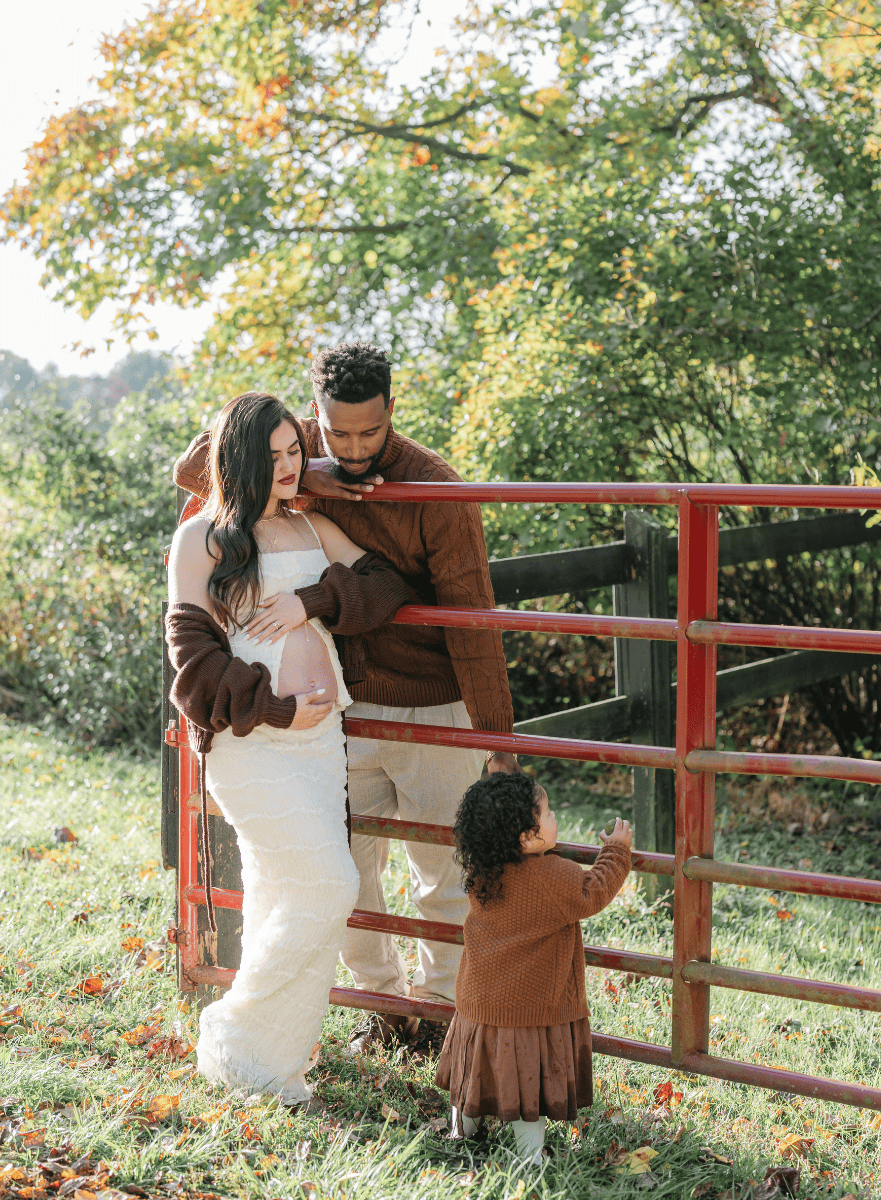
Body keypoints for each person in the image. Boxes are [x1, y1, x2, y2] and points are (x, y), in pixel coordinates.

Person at [174, 343, 518, 1058]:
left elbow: (473, 621)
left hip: (431, 705)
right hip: (343, 716)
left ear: (392, 410)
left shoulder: (434, 488)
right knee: (348, 870)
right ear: (314, 418)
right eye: (338, 435)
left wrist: (498, 738)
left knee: (443, 872)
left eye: (370, 433)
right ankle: (382, 1006)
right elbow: (194, 471)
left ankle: (440, 1014)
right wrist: (305, 462)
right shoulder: (300, 461)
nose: (355, 449)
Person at [165, 391, 412, 1103]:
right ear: (236, 459)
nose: (287, 466)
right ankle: (236, 1034)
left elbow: (386, 582)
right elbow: (192, 663)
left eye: (294, 452)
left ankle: (273, 1068)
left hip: (320, 744)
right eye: (270, 455)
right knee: (329, 885)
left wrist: (314, 601)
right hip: (253, 747)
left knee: (279, 895)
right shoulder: (204, 539)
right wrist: (274, 708)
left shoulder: (311, 526)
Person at [434, 773, 632, 1164]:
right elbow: (595, 891)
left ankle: (462, 1130)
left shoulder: (483, 872)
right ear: (527, 836)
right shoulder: (553, 877)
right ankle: (529, 1156)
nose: (556, 817)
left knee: (474, 1074)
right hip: (530, 1009)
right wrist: (616, 852)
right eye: (549, 811)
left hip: (479, 1004)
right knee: (529, 1087)